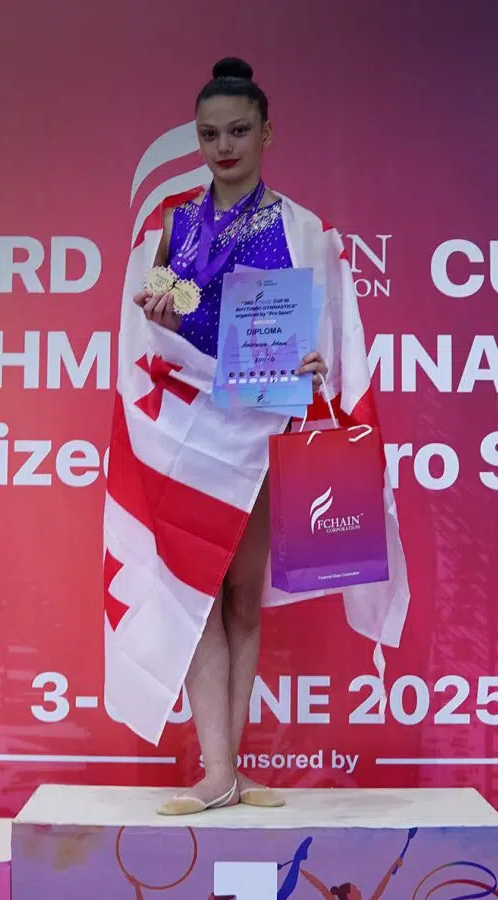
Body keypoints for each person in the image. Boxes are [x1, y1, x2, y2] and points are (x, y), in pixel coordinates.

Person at [103, 57, 408, 814]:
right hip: (186, 436)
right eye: (209, 134)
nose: (224, 147)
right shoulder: (171, 221)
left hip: (264, 426)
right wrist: (161, 320)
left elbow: (336, 336)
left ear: (267, 132)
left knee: (241, 597)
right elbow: (145, 334)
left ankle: (230, 771)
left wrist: (317, 364)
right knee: (196, 592)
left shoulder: (304, 230)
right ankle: (215, 772)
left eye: (238, 131)